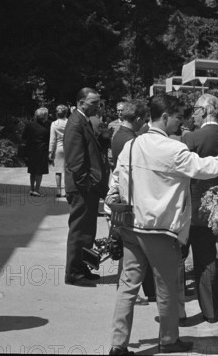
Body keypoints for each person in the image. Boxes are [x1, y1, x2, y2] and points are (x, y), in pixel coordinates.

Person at [106, 93, 218, 355]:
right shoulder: (172, 149)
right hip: (160, 230)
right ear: (164, 117)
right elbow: (207, 168)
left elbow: (116, 179)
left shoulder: (132, 145)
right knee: (166, 287)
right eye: (177, 117)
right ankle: (168, 341)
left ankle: (117, 346)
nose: (181, 123)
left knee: (128, 287)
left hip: (131, 226)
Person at [182, 94, 218, 324]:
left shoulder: (193, 137)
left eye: (195, 109)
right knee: (207, 260)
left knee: (178, 258)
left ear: (205, 111)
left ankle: (177, 311)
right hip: (215, 208)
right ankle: (211, 312)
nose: (193, 114)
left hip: (189, 207)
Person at [110, 99, 156, 306]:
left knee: (127, 247)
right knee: (128, 251)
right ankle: (128, 291)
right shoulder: (129, 140)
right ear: (137, 119)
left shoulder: (121, 135)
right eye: (144, 120)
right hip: (128, 201)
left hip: (123, 198)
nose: (145, 123)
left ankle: (129, 289)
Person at [64, 88, 109, 287]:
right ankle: (73, 272)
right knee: (79, 231)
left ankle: (82, 268)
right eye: (94, 103)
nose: (97, 106)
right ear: (82, 103)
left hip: (86, 187)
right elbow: (75, 160)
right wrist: (87, 183)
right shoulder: (75, 122)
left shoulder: (83, 120)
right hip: (82, 188)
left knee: (87, 231)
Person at [22, 107, 51, 197]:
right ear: (45, 116)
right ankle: (37, 190)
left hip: (31, 150)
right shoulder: (49, 125)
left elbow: (24, 138)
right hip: (42, 150)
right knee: (39, 171)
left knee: (32, 171)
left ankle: (32, 189)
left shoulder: (29, 125)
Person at [49, 105, 69, 198]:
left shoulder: (54, 124)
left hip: (58, 148)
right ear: (66, 113)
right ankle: (66, 191)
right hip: (68, 148)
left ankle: (58, 190)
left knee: (58, 171)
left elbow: (52, 140)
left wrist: (50, 151)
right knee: (66, 170)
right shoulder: (69, 122)